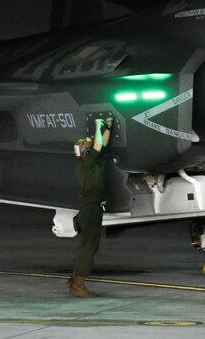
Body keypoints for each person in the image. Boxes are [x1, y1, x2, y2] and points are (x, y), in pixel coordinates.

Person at [67, 116, 112, 298]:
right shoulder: (88, 163)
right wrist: (98, 126)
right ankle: (78, 284)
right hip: (91, 208)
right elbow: (99, 146)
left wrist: (108, 127)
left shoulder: (85, 165)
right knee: (89, 248)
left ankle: (75, 280)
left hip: (87, 208)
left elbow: (102, 145)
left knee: (86, 246)